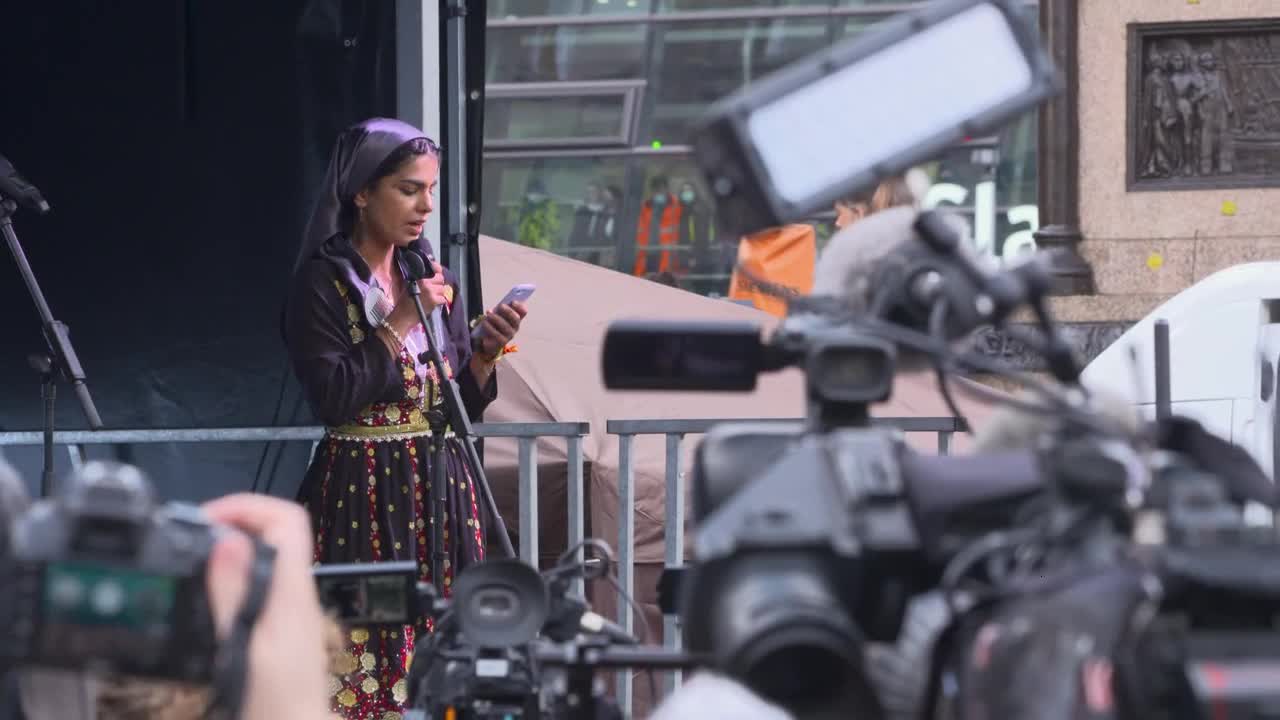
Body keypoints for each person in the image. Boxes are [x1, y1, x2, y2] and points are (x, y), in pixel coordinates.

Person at [284, 117, 527, 718]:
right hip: (359, 496)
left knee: (447, 651)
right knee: (363, 654)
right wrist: (399, 322)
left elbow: (453, 409)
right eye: (408, 189)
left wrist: (483, 356)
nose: (424, 206)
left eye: (431, 190)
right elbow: (334, 397)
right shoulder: (323, 284)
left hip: (440, 490)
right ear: (362, 192)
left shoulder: (430, 279)